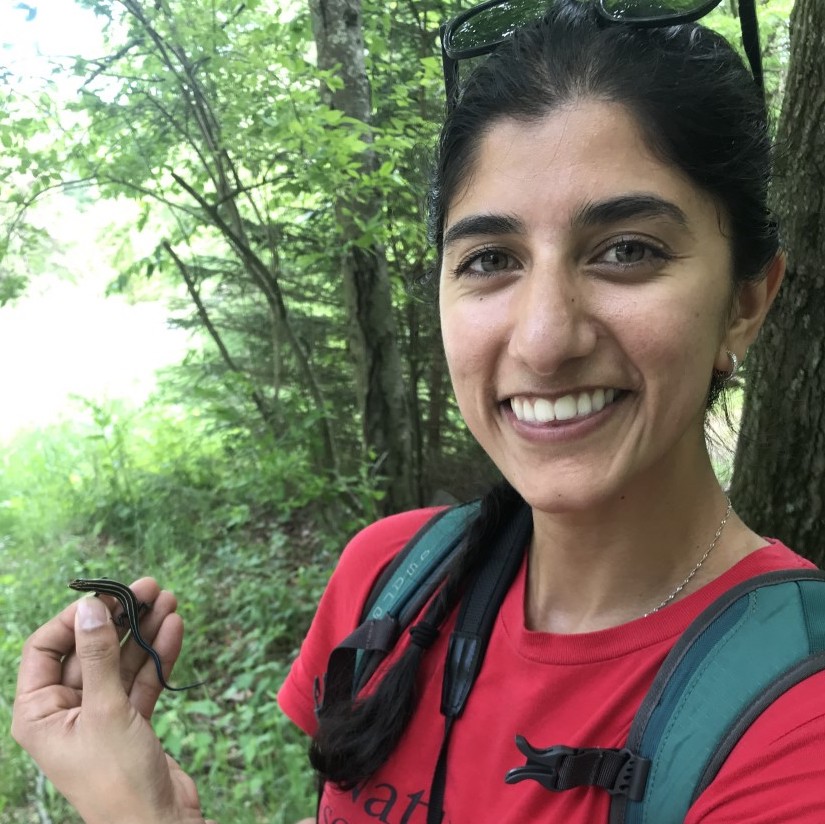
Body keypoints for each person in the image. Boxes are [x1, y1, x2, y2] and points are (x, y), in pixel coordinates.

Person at [12, 1, 825, 822]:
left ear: (746, 301)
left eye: (627, 251)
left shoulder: (799, 725)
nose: (543, 340)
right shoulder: (387, 580)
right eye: (491, 259)